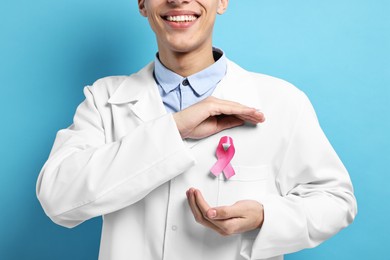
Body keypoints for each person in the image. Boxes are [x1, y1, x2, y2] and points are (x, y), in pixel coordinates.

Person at [36, 0, 357, 259]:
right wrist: (174, 129)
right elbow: (58, 199)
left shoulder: (280, 100)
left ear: (222, 2)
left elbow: (335, 200)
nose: (179, 0)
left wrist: (265, 216)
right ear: (141, 4)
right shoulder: (105, 98)